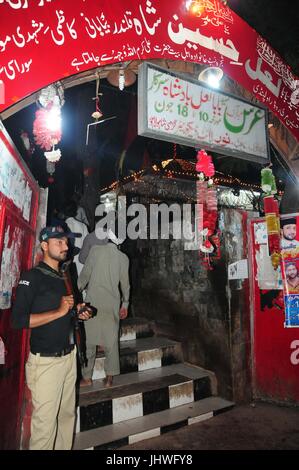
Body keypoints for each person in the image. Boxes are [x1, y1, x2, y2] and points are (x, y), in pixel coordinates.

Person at [11, 226, 92, 450]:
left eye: (66, 242)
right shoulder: (32, 277)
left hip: (69, 357)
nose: (66, 246)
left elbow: (69, 312)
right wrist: (58, 312)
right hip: (46, 362)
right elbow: (17, 320)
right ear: (44, 246)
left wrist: (80, 312)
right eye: (59, 242)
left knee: (67, 418)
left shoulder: (65, 276)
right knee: (45, 427)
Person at [78, 229, 130, 388]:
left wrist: (75, 293)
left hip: (92, 303)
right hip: (112, 304)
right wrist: (125, 304)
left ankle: (87, 378)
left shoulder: (95, 251)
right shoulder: (123, 258)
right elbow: (125, 285)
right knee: (111, 342)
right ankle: (109, 379)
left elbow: (84, 276)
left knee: (89, 342)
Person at [65, 201, 89, 276]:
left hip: (68, 265)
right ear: (75, 212)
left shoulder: (62, 227)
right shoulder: (83, 226)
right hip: (82, 263)